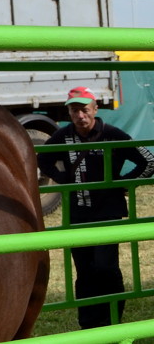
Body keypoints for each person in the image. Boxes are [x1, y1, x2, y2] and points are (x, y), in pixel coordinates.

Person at [37, 86, 154, 329]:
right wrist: (64, 180)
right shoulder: (64, 136)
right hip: (78, 215)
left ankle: (112, 320)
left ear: (95, 109)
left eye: (84, 110)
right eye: (74, 110)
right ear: (69, 112)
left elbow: (148, 160)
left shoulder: (112, 134)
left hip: (107, 213)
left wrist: (122, 184)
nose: (80, 116)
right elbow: (42, 158)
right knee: (84, 271)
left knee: (106, 268)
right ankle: (89, 324)